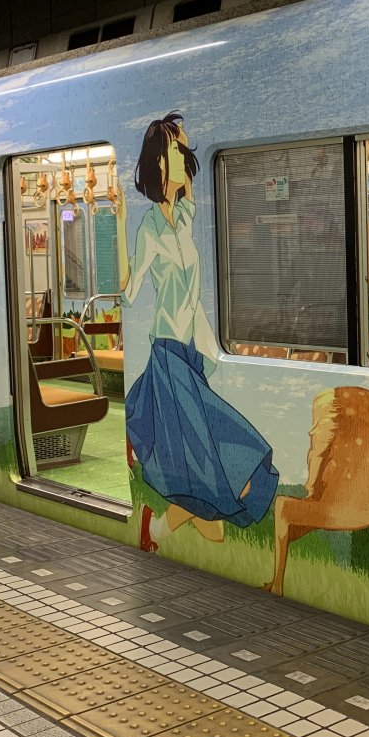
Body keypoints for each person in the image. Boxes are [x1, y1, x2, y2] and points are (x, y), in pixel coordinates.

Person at [123, 111, 278, 551]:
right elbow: (131, 292)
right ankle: (157, 528)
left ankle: (159, 526)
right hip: (169, 355)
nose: (187, 157)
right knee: (229, 449)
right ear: (158, 162)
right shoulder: (149, 229)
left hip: (192, 353)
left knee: (211, 481)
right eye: (178, 149)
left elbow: (193, 195)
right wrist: (118, 223)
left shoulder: (187, 217)